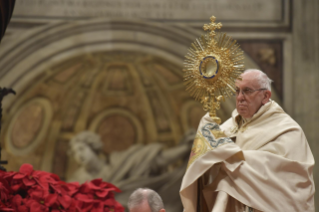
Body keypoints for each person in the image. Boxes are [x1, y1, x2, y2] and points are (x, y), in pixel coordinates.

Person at [180, 69, 315, 212]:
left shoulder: (287, 130)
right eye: (237, 91)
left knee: (226, 183)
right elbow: (208, 170)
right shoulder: (229, 126)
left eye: (247, 91)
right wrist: (207, 139)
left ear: (265, 96)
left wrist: (227, 154)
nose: (240, 97)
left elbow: (288, 181)